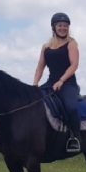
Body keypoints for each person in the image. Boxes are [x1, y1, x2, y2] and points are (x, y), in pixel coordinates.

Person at [33, 12, 81, 152]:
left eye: (65, 26)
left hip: (68, 84)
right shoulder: (46, 47)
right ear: (54, 27)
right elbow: (40, 66)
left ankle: (75, 137)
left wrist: (61, 80)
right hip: (50, 82)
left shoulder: (71, 44)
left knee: (71, 107)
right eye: (60, 25)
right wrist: (35, 85)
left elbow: (74, 65)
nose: (63, 28)